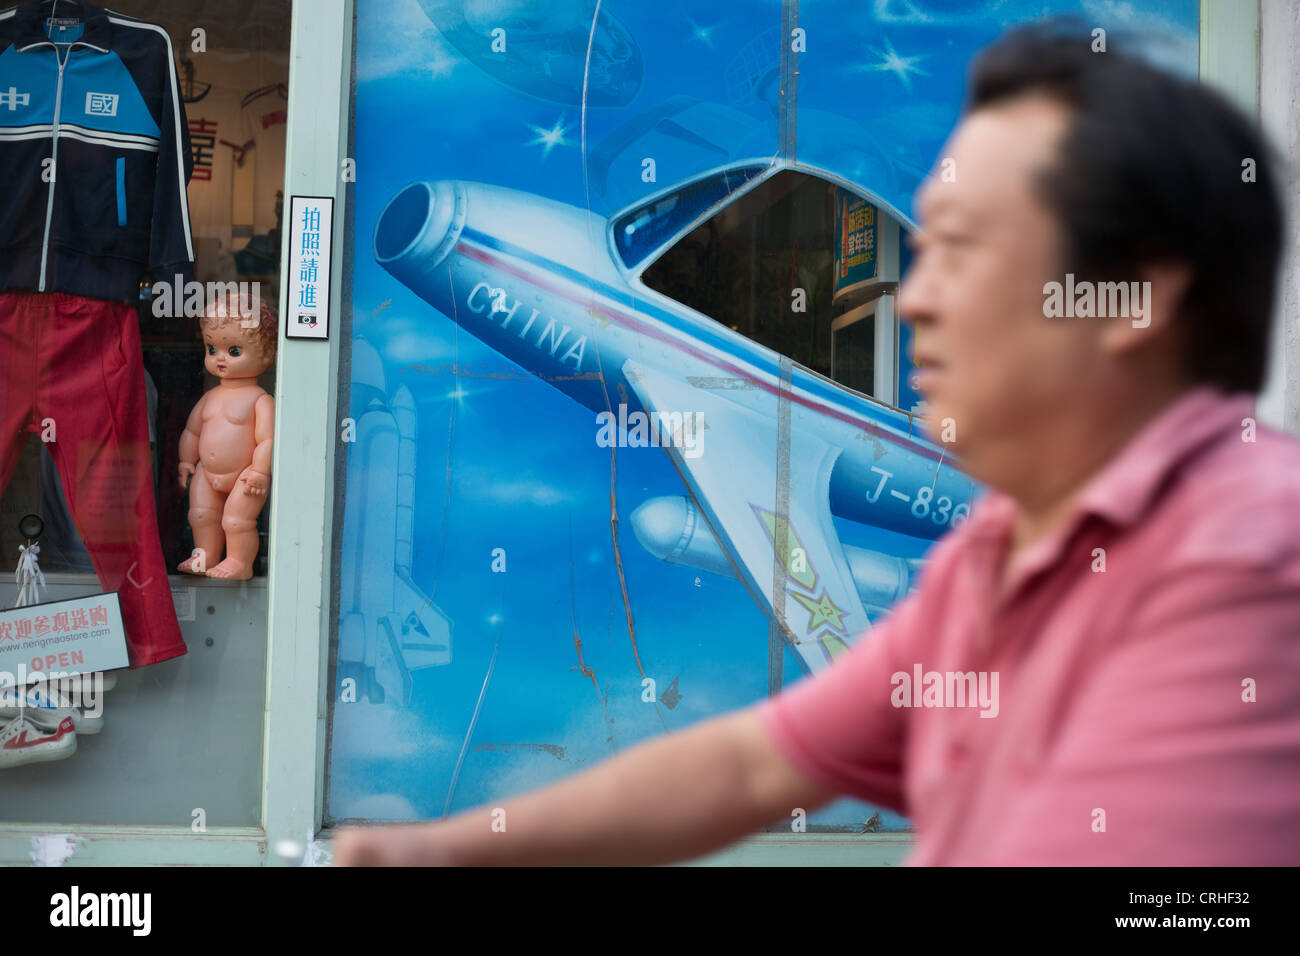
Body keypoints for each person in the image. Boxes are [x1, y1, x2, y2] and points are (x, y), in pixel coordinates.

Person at [333, 22, 1298, 866]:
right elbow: (755, 765)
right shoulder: (1000, 557)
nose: (912, 299)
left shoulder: (1258, 547)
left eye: (965, 253)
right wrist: (447, 851)